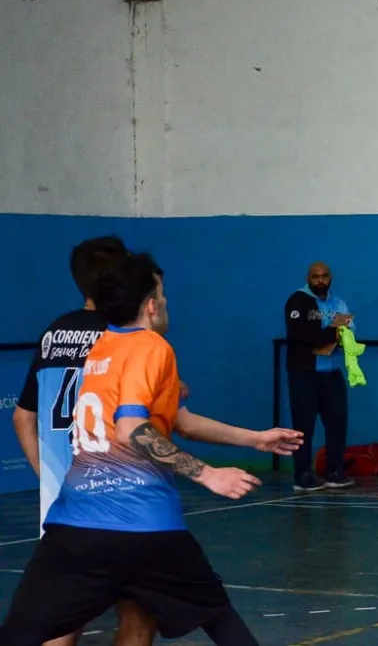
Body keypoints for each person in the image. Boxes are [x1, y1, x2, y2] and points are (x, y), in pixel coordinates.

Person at [0, 252, 305, 645]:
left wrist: (255, 438)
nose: (164, 303)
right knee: (220, 619)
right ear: (149, 304)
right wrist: (207, 473)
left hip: (77, 530)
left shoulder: (103, 347)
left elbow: (181, 421)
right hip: (146, 529)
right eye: (161, 295)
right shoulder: (152, 346)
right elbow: (131, 428)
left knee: (22, 633)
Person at [11, 235, 158, 646]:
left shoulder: (53, 332)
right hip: (118, 501)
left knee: (61, 620)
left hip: (61, 504)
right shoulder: (125, 337)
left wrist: (47, 475)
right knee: (138, 613)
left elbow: (22, 417)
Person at [283, 261, 356, 491]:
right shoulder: (298, 300)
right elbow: (303, 335)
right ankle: (302, 475)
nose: (320, 280)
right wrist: (333, 330)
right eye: (316, 277)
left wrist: (333, 335)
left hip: (332, 373)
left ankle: (335, 472)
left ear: (330, 277)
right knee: (303, 426)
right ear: (309, 278)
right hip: (304, 374)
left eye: (324, 276)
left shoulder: (338, 303)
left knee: (337, 421)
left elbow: (350, 334)